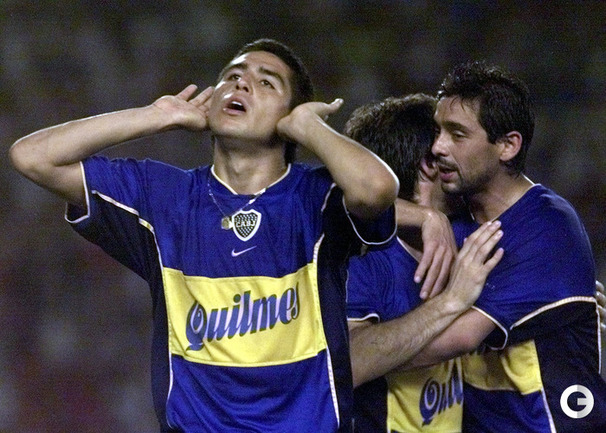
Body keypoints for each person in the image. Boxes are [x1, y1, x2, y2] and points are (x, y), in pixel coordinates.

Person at [10, 38, 407, 432]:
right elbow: (32, 157)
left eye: (266, 82)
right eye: (232, 76)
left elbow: (376, 190)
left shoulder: (316, 198)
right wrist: (155, 116)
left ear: (288, 118)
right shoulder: (163, 197)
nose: (241, 83)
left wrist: (310, 128)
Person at [406, 60, 606, 432]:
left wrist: (352, 355)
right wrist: (425, 217)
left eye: (457, 134)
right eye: (437, 131)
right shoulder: (454, 218)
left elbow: (453, 339)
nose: (437, 147)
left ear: (508, 146)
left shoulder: (548, 227)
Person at [344, 94, 504, 432]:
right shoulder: (364, 257)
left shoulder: (467, 232)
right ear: (430, 163)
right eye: (449, 141)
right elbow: (350, 363)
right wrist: (450, 302)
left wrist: (562, 304)